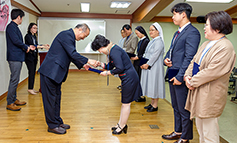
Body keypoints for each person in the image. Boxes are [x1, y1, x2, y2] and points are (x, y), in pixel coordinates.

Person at [184, 11, 236, 143]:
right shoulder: (206, 44)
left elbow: (211, 71)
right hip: (198, 91)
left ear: (217, 28)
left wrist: (192, 81)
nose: (204, 28)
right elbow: (193, 62)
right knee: (201, 131)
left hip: (211, 94)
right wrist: (187, 76)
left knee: (209, 134)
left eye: (207, 25)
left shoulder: (225, 47)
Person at [38, 23, 98, 134]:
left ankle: (57, 121)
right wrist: (88, 61)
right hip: (50, 72)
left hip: (56, 74)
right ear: (80, 30)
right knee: (50, 100)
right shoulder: (66, 35)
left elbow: (71, 56)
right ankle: (52, 126)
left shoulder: (69, 37)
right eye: (84, 35)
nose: (83, 38)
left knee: (56, 99)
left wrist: (83, 64)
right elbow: (72, 53)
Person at [162, 3, 200, 143]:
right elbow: (172, 50)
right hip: (172, 71)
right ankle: (178, 131)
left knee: (184, 108)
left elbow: (190, 57)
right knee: (175, 106)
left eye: (174, 14)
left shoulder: (192, 32)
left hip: (181, 75)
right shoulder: (177, 32)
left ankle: (186, 137)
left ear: (183, 14)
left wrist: (180, 77)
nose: (172, 17)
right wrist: (166, 59)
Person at [91, 35, 142, 135]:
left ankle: (122, 126)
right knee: (124, 103)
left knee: (126, 103)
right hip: (127, 77)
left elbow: (120, 68)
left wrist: (107, 73)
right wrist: (101, 64)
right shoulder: (112, 50)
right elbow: (111, 66)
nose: (100, 52)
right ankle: (121, 124)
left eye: (99, 50)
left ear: (102, 46)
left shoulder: (114, 51)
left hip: (129, 78)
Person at [5, 9, 35, 111]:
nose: (22, 20)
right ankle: (10, 103)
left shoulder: (14, 27)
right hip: (14, 57)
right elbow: (16, 41)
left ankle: (13, 99)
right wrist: (26, 47)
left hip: (17, 56)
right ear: (18, 17)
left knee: (15, 79)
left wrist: (27, 46)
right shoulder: (11, 27)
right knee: (14, 79)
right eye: (22, 18)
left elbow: (18, 42)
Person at [140, 23, 165, 112]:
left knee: (155, 84)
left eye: (152, 30)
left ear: (158, 31)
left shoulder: (159, 41)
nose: (150, 32)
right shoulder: (153, 41)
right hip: (150, 66)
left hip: (155, 67)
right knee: (151, 84)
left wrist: (147, 64)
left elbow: (155, 55)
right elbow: (147, 53)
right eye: (150, 30)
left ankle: (155, 105)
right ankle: (151, 103)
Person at [24, 23, 49, 95]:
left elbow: (36, 45)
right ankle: (30, 89)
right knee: (31, 72)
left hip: (34, 57)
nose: (35, 30)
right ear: (30, 28)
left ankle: (31, 88)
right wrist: (43, 46)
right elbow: (33, 46)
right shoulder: (27, 36)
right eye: (34, 28)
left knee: (33, 72)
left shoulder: (34, 36)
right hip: (29, 57)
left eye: (36, 28)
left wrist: (43, 45)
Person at [132, 26, 150, 102]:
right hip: (137, 62)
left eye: (137, 33)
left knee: (140, 79)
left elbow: (143, 53)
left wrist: (137, 57)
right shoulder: (140, 41)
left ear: (141, 31)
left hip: (141, 62)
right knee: (137, 78)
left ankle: (140, 95)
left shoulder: (146, 41)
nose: (137, 35)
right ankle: (138, 94)